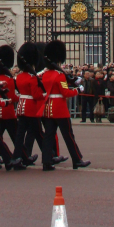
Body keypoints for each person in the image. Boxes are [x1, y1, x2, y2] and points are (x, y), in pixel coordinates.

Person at [39, 39, 90, 171]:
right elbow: (65, 93)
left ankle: (46, 162)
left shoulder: (45, 75)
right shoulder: (59, 75)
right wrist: (78, 90)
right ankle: (77, 160)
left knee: (48, 136)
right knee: (68, 136)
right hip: (60, 109)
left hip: (48, 109)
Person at [10, 41, 45, 168]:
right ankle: (48, 157)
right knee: (39, 134)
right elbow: (36, 95)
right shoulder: (32, 77)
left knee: (20, 135)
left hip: (21, 107)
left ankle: (16, 157)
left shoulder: (19, 77)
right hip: (31, 108)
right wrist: (45, 95)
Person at [0, 45, 18, 147]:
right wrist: (21, 97)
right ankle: (22, 156)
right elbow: (12, 97)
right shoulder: (9, 79)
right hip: (8, 112)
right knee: (16, 137)